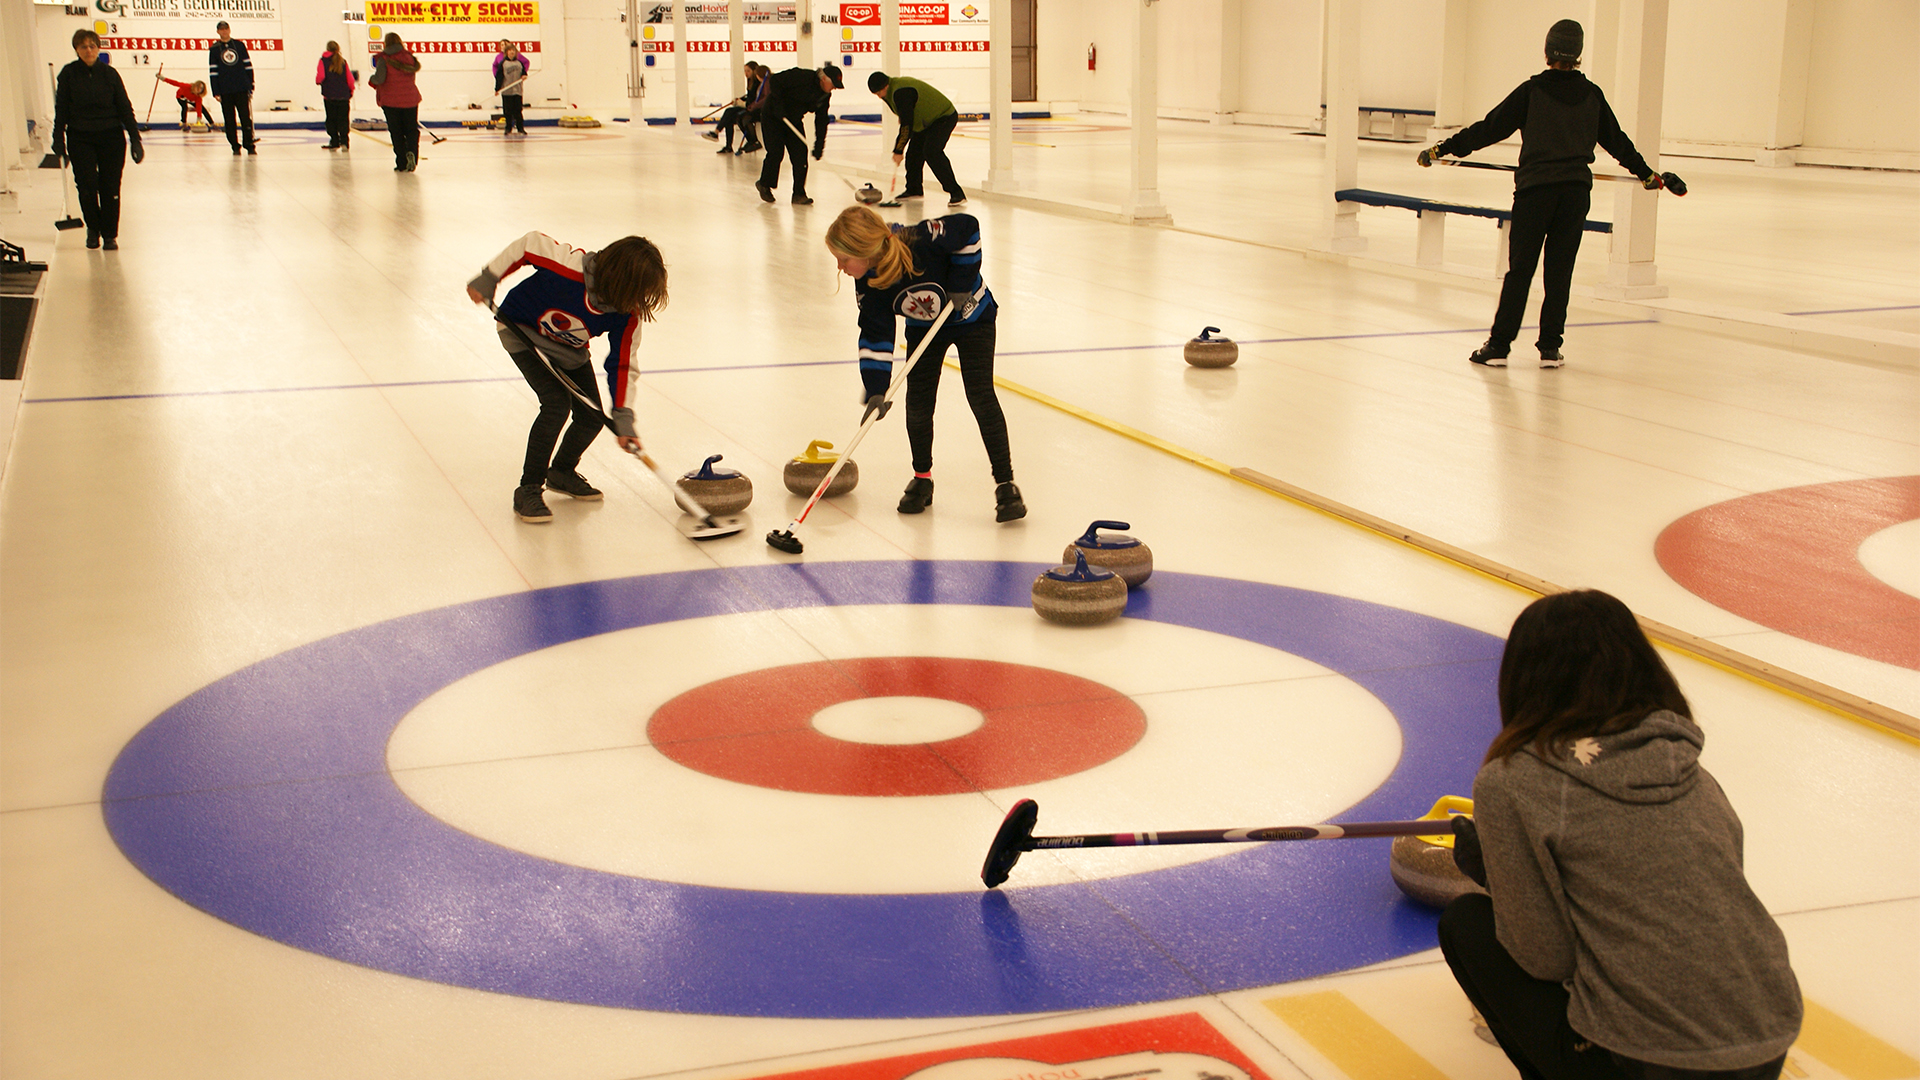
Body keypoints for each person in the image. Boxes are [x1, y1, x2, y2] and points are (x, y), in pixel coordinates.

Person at [1441, 589, 1801, 1080]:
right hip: (1767, 1040)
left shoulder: (1512, 781)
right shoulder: (1683, 760)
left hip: (1650, 1065)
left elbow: (1547, 957)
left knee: (1467, 924)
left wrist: (1499, 878)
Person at [1418, 20, 1681, 369]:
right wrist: (1647, 175)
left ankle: (1499, 346)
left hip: (1534, 193)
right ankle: (1549, 348)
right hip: (1574, 194)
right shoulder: (1592, 95)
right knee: (1559, 271)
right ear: (1578, 55)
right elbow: (1618, 143)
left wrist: (1443, 149)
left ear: (1547, 51)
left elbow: (1489, 129)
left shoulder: (1532, 91)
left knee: (1520, 271)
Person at [824, 205, 1024, 522]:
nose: (840, 267)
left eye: (844, 259)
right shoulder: (868, 284)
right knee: (918, 403)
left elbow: (968, 229)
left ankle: (1006, 484)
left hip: (972, 317)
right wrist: (877, 388)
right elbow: (876, 334)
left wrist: (961, 282)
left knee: (981, 396)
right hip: (924, 328)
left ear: (863, 250)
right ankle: (922, 479)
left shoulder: (919, 240)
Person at [464, 233, 669, 524]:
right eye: (636, 291)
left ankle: (561, 471)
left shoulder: (627, 313)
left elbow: (622, 365)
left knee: (591, 416)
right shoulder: (569, 266)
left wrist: (623, 415)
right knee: (555, 405)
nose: (638, 301)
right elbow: (528, 244)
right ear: (618, 280)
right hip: (523, 333)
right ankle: (528, 489)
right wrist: (490, 276)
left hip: (569, 350)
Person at [52, 29, 144, 251]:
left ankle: (110, 234)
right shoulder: (68, 74)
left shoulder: (110, 74)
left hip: (111, 136)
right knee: (86, 186)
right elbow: (61, 108)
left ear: (98, 48)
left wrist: (135, 137)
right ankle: (93, 229)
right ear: (77, 50)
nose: (89, 50)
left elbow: (124, 107)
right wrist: (58, 137)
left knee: (110, 187)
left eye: (92, 46)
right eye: (83, 47)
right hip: (80, 137)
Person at [868, 71, 965, 207]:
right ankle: (914, 189)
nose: (879, 96)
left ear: (886, 86)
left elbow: (906, 125)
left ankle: (956, 193)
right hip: (924, 122)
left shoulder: (901, 92)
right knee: (913, 154)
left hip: (943, 117)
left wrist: (898, 150)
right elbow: (906, 118)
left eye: (879, 93)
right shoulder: (891, 91)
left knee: (932, 152)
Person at [755, 63, 842, 205]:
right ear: (823, 79)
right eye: (833, 84)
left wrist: (819, 144)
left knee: (800, 153)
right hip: (773, 116)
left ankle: (799, 193)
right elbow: (775, 80)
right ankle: (764, 184)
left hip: (793, 120)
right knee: (776, 152)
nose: (833, 88)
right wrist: (777, 105)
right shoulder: (802, 76)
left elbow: (821, 120)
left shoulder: (824, 96)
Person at [371, 33, 423, 172]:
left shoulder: (384, 59)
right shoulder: (409, 57)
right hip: (410, 99)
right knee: (411, 129)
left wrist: (372, 79)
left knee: (397, 132)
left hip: (391, 101)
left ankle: (401, 162)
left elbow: (379, 78)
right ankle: (412, 152)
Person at [208, 21, 256, 155]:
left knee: (245, 118)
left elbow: (248, 65)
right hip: (225, 90)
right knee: (229, 120)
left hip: (241, 88)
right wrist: (215, 91)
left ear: (229, 30)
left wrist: (250, 84)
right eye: (221, 29)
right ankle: (234, 145)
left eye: (226, 29)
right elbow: (213, 71)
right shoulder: (214, 49)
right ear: (218, 32)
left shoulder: (239, 45)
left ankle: (249, 144)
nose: (224, 31)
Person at [704, 61, 764, 154]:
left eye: (748, 71)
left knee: (730, 113)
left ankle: (716, 133)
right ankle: (728, 146)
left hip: (752, 108)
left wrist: (742, 103)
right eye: (745, 71)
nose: (746, 73)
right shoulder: (750, 81)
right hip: (748, 105)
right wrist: (741, 99)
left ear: (754, 71)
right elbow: (749, 95)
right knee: (729, 116)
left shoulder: (757, 82)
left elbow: (755, 98)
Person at [315, 43, 356, 150]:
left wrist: (318, 81)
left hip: (329, 95)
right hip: (343, 95)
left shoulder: (323, 61)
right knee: (343, 119)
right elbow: (350, 79)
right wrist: (351, 90)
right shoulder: (343, 61)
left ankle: (334, 141)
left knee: (331, 119)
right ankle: (345, 142)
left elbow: (321, 76)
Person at [495, 42, 528, 135]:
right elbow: (499, 77)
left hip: (517, 91)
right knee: (507, 111)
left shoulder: (519, 63)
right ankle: (508, 128)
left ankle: (520, 128)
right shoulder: (503, 64)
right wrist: (497, 89)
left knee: (518, 111)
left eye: (513, 50)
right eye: (510, 50)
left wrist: (524, 75)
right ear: (506, 52)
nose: (512, 52)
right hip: (507, 91)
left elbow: (524, 73)